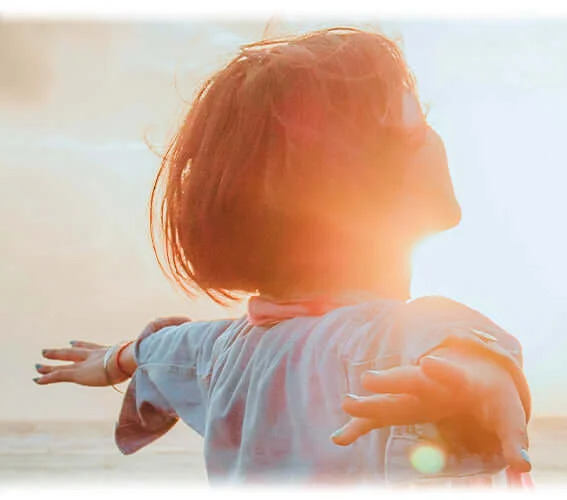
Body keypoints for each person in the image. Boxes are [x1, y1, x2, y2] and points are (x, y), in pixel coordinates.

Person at [32, 27, 532, 486]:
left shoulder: (224, 350)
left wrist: (116, 359)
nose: (434, 138)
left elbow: (167, 349)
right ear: (351, 186)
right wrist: (476, 376)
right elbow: (451, 343)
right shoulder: (384, 339)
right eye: (416, 125)